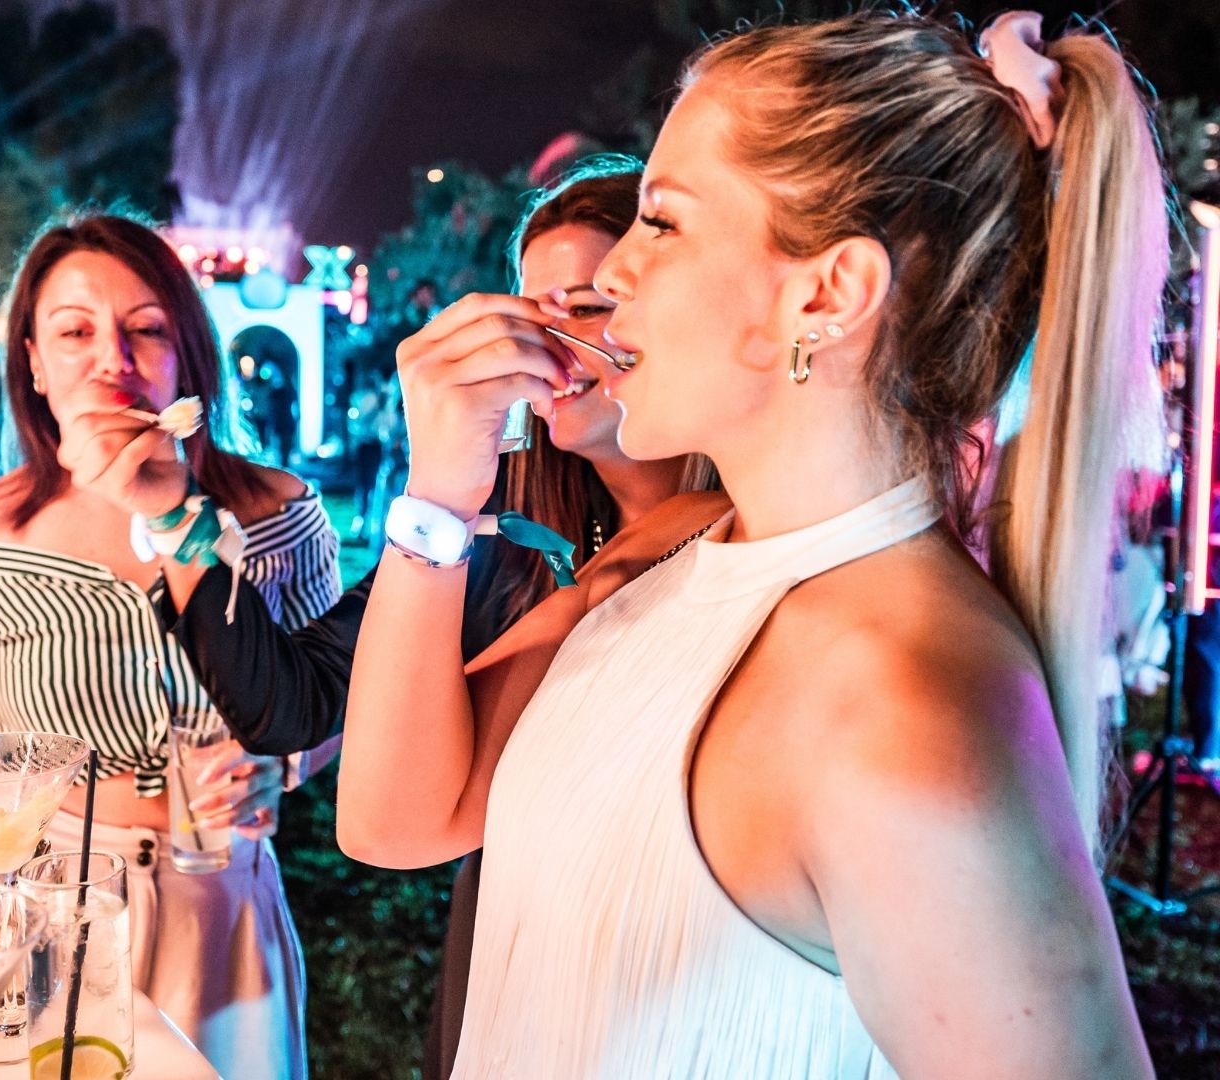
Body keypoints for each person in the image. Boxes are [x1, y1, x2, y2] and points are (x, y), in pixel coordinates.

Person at [340, 9, 1161, 1076]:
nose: (615, 274)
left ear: (826, 296)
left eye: (663, 223)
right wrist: (440, 495)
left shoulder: (904, 700)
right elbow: (400, 818)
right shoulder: (686, 549)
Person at [148, 157, 723, 1077]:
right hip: (515, 946)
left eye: (591, 305)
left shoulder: (747, 532)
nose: (560, 348)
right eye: (538, 316)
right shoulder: (492, 539)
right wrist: (183, 529)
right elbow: (295, 709)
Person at [0, 212, 339, 1080]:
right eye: (75, 331)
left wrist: (282, 766)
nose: (113, 360)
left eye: (145, 330)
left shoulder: (277, 513)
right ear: (31, 358)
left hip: (219, 911)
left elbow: (339, 708)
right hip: (34, 913)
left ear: (187, 355)